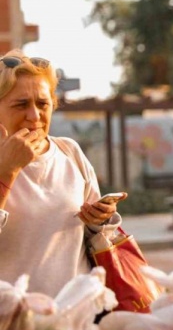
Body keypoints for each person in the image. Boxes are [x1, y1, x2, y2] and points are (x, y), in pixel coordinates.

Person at [0, 50, 121, 297]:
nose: (34, 116)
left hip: (77, 315)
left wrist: (99, 220)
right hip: (15, 318)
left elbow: (97, 238)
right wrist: (7, 171)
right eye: (21, 104)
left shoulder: (69, 151)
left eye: (43, 104)